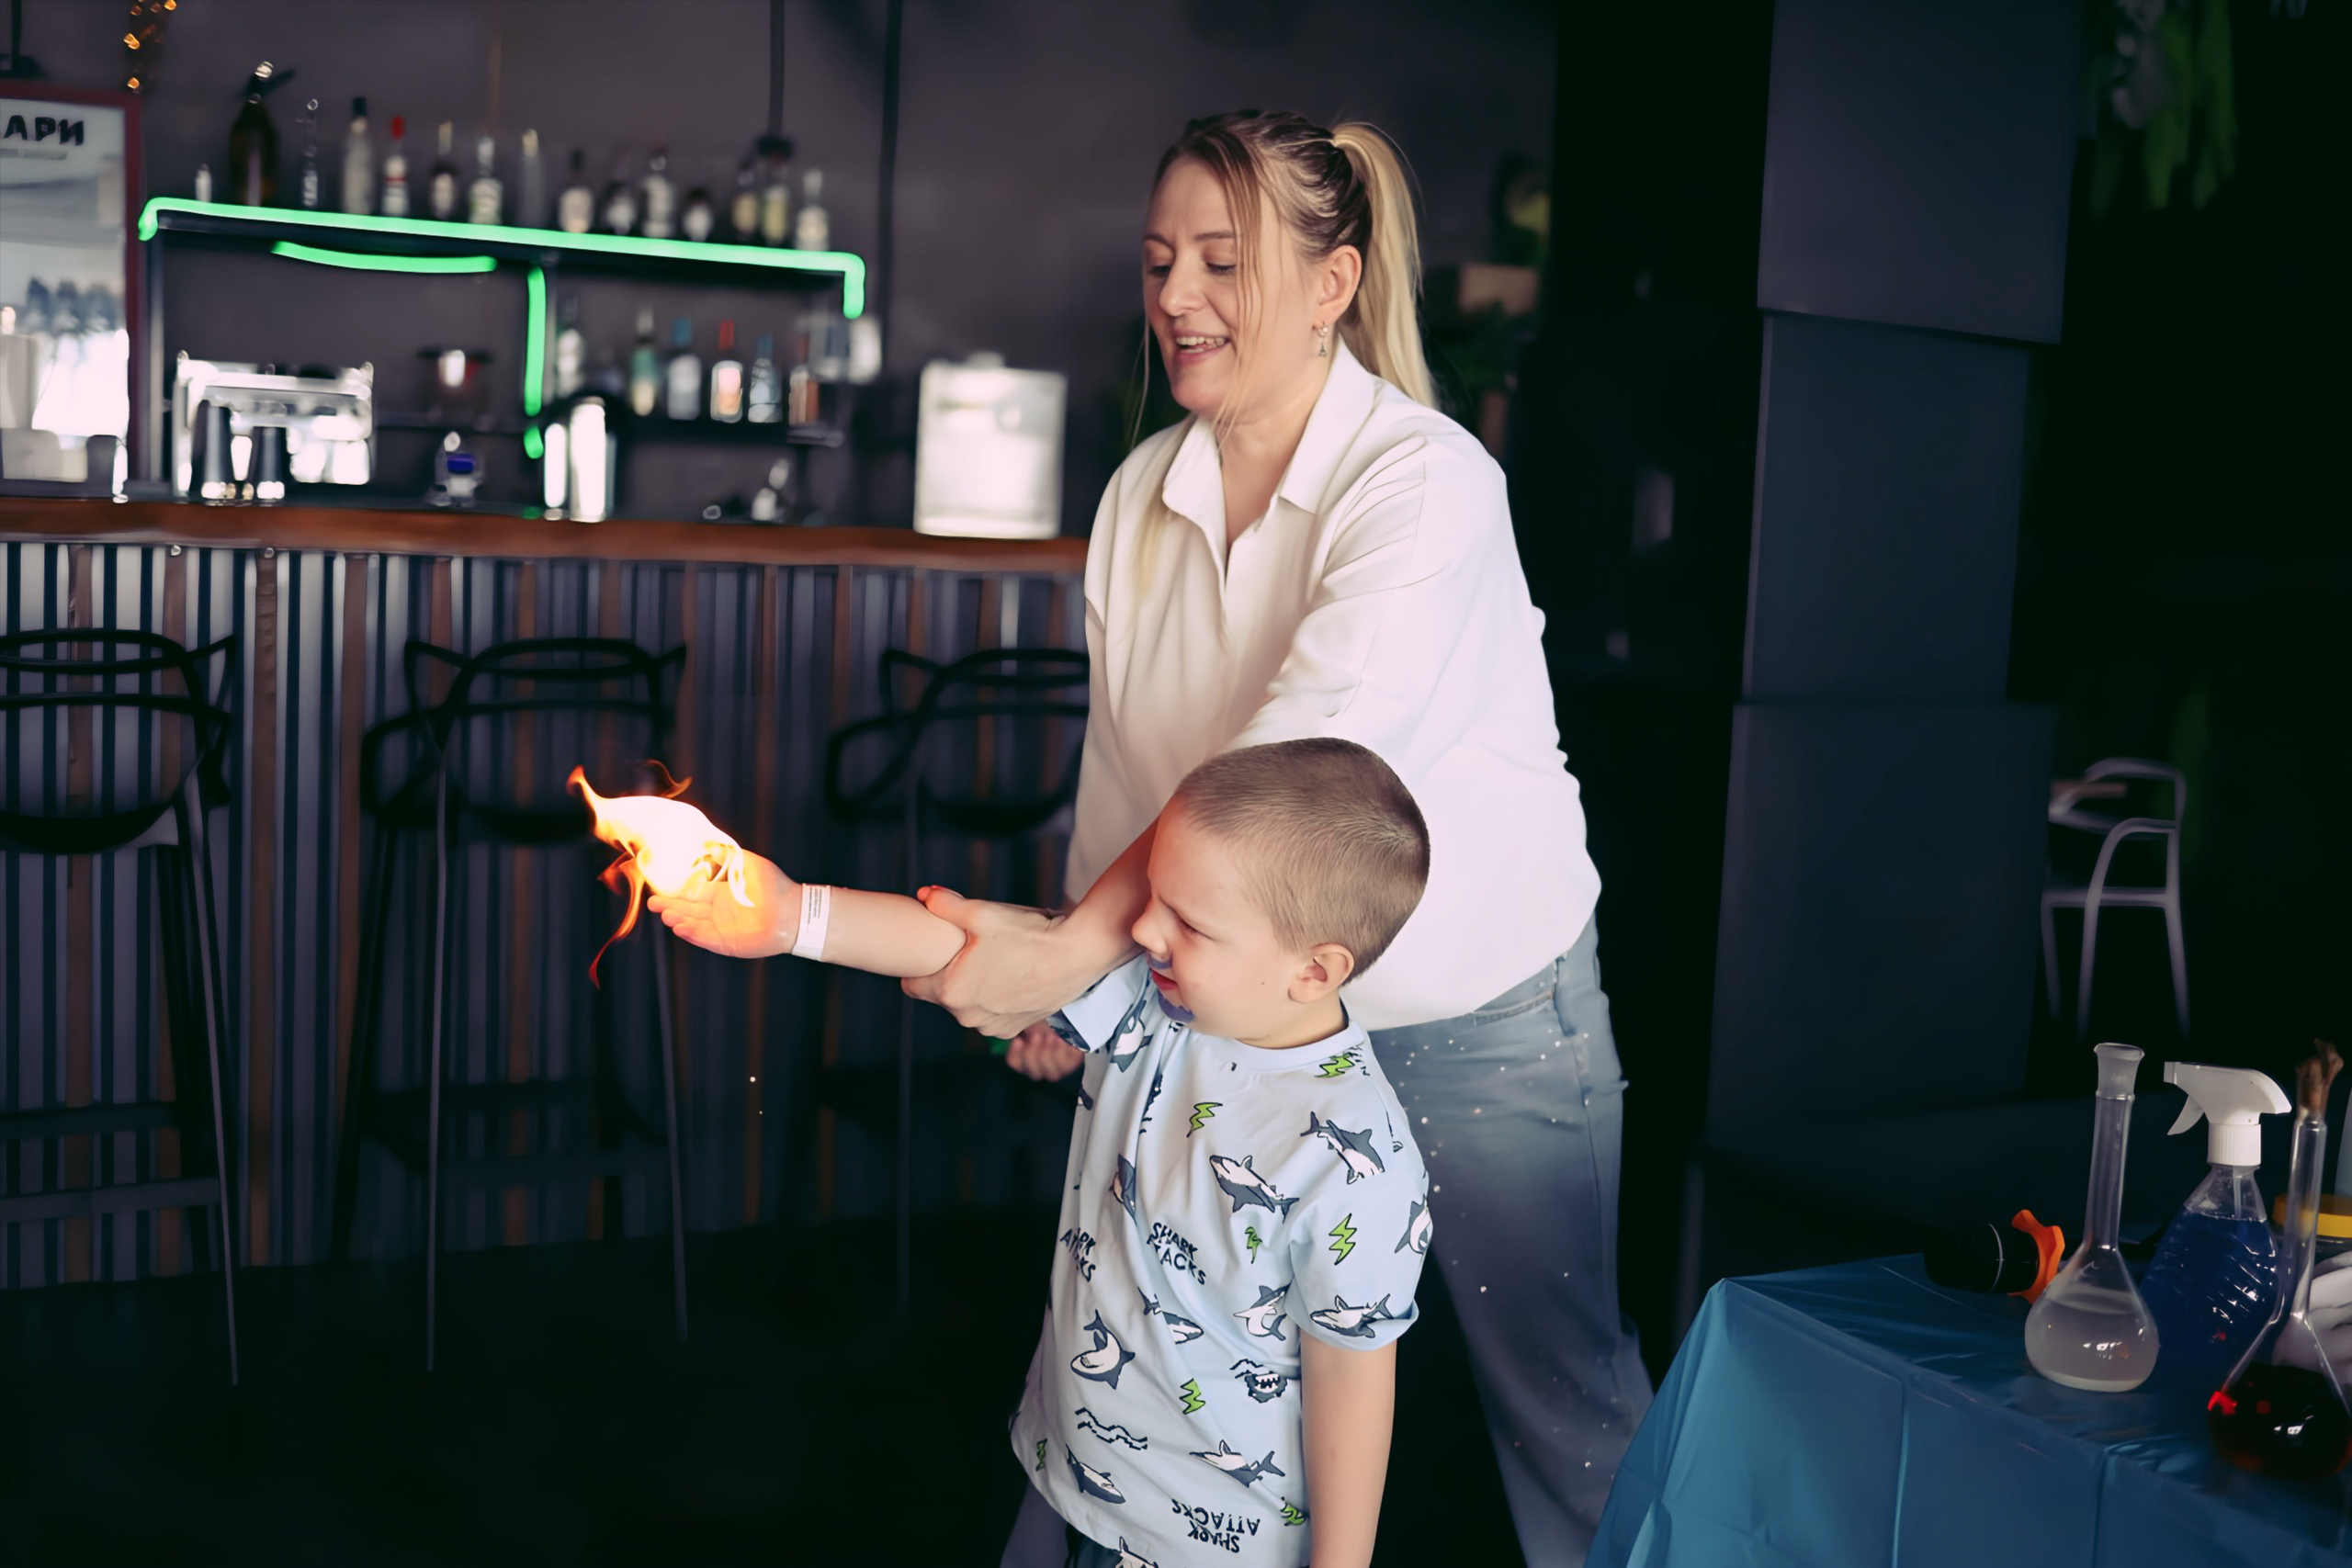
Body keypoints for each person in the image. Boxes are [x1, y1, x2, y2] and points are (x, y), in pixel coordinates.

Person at [901, 110, 1653, 1564]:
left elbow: (1281, 772)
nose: (1175, 294)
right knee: (1156, 1361)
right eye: (1159, 260)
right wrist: (1082, 969)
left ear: (1332, 284)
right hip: (1235, 1003)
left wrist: (1071, 945)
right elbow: (1128, 768)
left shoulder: (1425, 481)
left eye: (1221, 262)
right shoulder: (1141, 495)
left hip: (1476, 1008)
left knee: (1560, 1405)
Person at [652, 738, 1434, 1568]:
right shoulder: (1157, 998)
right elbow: (965, 947)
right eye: (1155, 896)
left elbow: (1353, 1386)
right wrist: (789, 914)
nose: (1139, 926)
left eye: (1190, 922)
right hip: (1064, 1469)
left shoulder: (1363, 1167)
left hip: (1205, 1546)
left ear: (1314, 970)